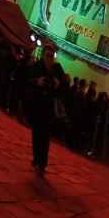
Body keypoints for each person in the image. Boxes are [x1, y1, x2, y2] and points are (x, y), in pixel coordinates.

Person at [27, 44, 65, 176]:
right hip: (37, 105)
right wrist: (38, 81)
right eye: (48, 55)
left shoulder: (57, 68)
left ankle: (42, 163)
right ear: (43, 55)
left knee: (46, 136)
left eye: (52, 56)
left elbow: (65, 86)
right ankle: (36, 159)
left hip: (49, 107)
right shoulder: (37, 66)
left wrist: (58, 83)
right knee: (36, 134)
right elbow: (29, 80)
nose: (50, 58)